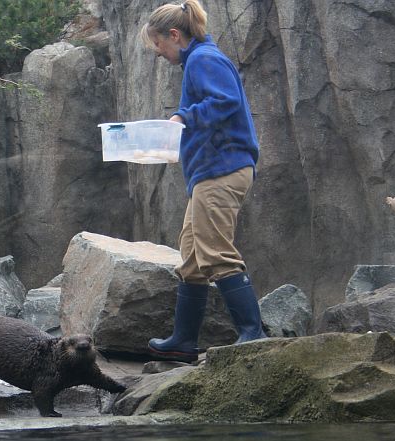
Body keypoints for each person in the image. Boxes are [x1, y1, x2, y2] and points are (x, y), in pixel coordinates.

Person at [140, 0, 267, 363]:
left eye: (159, 45)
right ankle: (183, 342)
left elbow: (225, 101)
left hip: (222, 170)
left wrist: (183, 117)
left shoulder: (203, 59)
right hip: (209, 173)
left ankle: (252, 333)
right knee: (193, 256)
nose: (159, 53)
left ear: (175, 35)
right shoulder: (198, 60)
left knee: (215, 251)